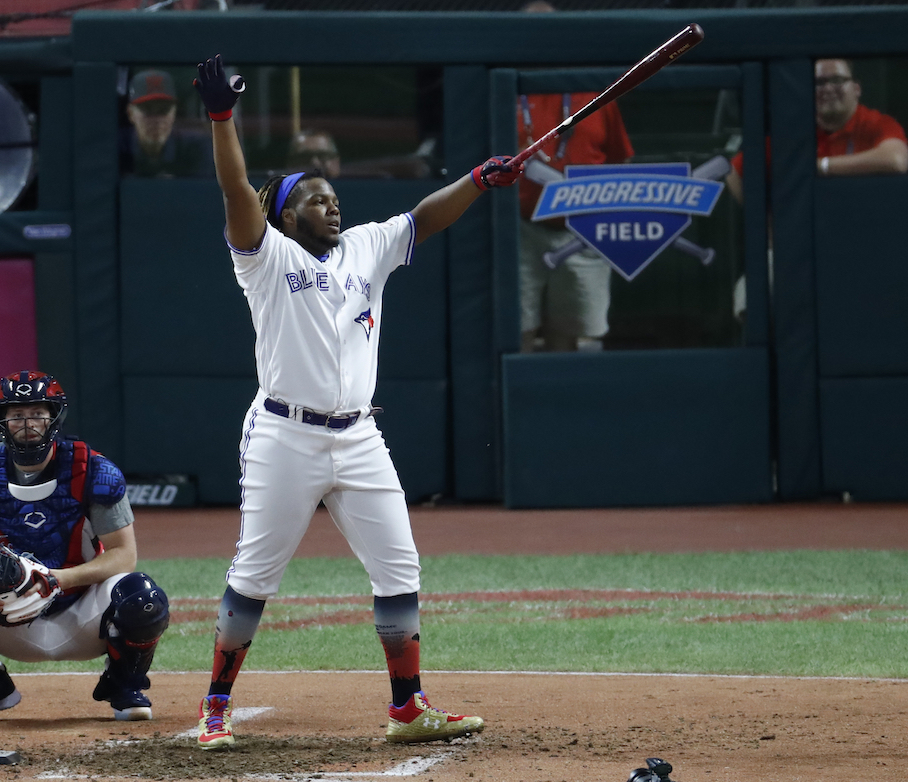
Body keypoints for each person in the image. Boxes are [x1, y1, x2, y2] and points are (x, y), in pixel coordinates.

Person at [188, 53, 521, 750]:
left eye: (333, 194)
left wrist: (479, 180)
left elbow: (424, 219)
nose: (331, 201)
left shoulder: (365, 248)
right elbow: (236, 192)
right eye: (313, 196)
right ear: (283, 216)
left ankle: (408, 706)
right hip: (285, 435)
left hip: (359, 437)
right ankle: (214, 706)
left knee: (399, 568)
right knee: (255, 574)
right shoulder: (266, 257)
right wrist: (222, 119)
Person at [0, 370, 169, 724]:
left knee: (143, 597)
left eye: (38, 413)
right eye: (17, 415)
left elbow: (124, 555)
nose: (28, 423)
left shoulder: (93, 471)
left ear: (54, 416)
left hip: (81, 612)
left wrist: (57, 579)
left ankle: (123, 683)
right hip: (9, 617)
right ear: (2, 420)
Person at [516, 89, 634, 352]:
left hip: (584, 229)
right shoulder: (509, 93)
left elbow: (619, 160)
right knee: (516, 332)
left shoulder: (598, 96)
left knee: (579, 335)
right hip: (518, 228)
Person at [725, 57, 908, 202]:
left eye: (837, 80)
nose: (828, 88)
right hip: (814, 232)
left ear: (856, 89)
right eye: (819, 83)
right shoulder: (794, 130)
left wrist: (820, 166)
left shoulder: (876, 123)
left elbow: (895, 160)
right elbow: (735, 172)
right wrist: (768, 226)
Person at [123, 68, 213, 178]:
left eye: (163, 110)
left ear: (174, 112)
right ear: (130, 113)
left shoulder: (196, 149)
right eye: (147, 110)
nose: (156, 120)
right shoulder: (116, 148)